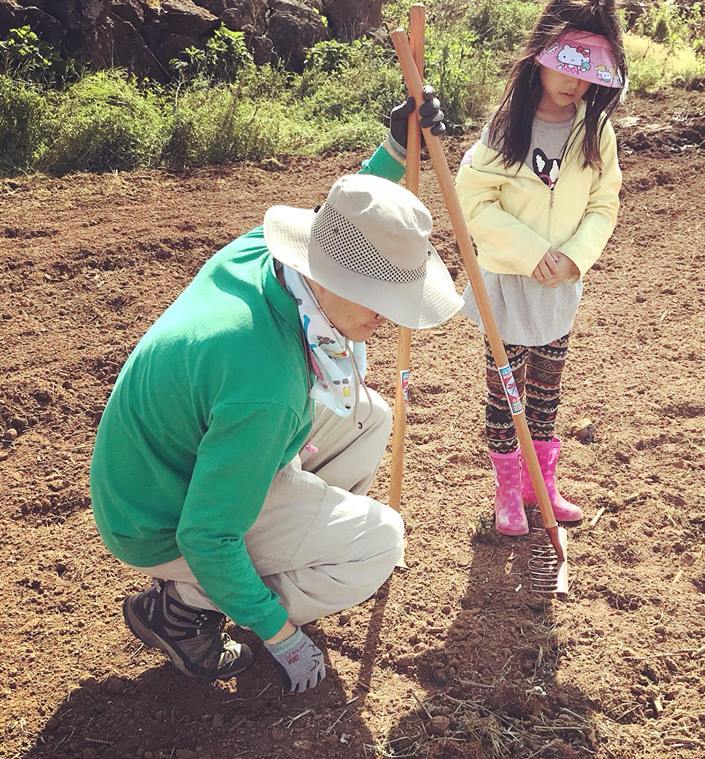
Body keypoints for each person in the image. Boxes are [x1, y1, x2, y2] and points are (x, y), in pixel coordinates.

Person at [89, 94, 460, 693]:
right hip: (158, 516)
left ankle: (279, 541)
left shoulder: (268, 259)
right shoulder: (267, 384)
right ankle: (186, 606)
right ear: (330, 276)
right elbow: (205, 533)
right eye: (380, 298)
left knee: (368, 418)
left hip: (174, 467)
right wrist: (280, 634)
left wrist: (394, 150)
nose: (389, 319)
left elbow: (347, 226)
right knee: (380, 542)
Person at [455, 0, 625, 536]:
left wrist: (574, 256)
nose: (575, 84)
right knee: (506, 392)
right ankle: (507, 490)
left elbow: (604, 203)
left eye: (587, 73)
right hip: (508, 286)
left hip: (559, 289)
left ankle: (541, 485)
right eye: (566, 66)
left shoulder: (595, 133)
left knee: (548, 391)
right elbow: (474, 198)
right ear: (541, 56)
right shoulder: (507, 127)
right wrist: (531, 252)